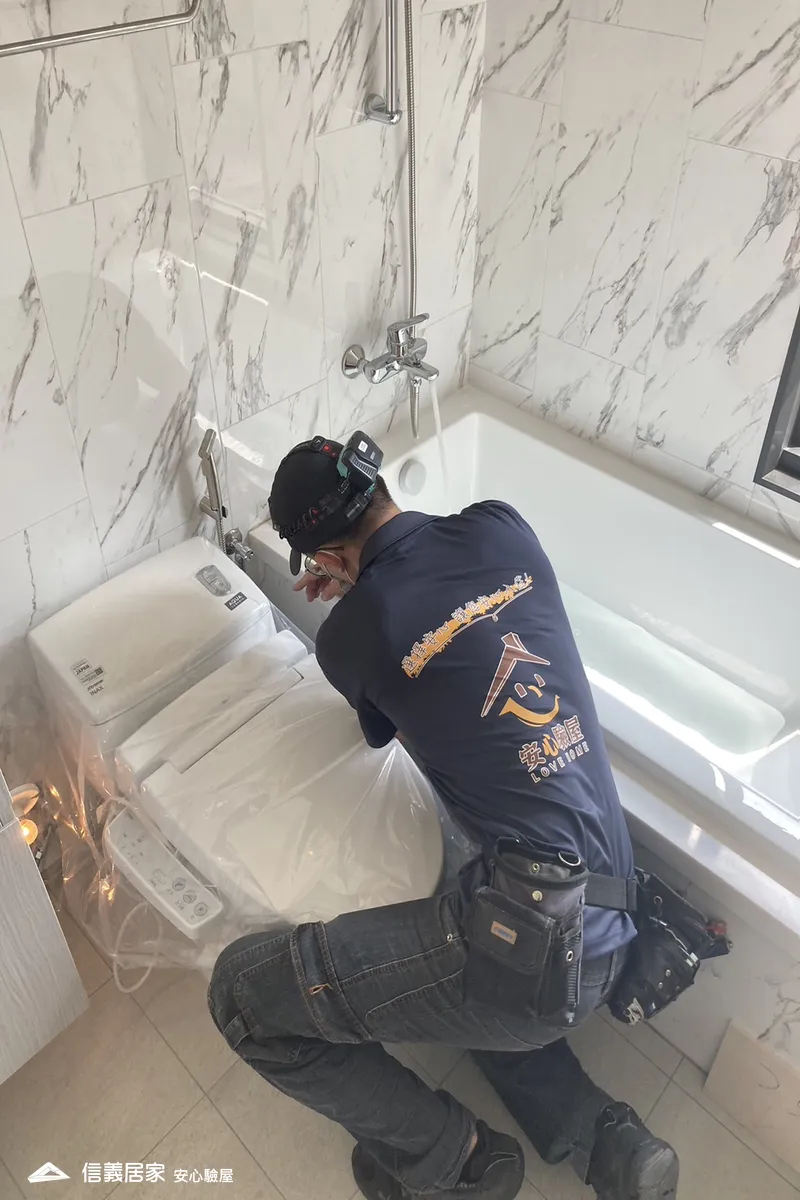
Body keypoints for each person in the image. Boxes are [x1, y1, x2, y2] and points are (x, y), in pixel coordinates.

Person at [207, 433, 680, 1200]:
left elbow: (382, 726)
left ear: (323, 558)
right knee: (468, 944)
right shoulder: (501, 526)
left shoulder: (352, 635)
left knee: (240, 996)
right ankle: (604, 1140)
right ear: (377, 480)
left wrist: (356, 600)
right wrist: (364, 582)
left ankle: (455, 1162)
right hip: (614, 899)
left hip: (542, 951)